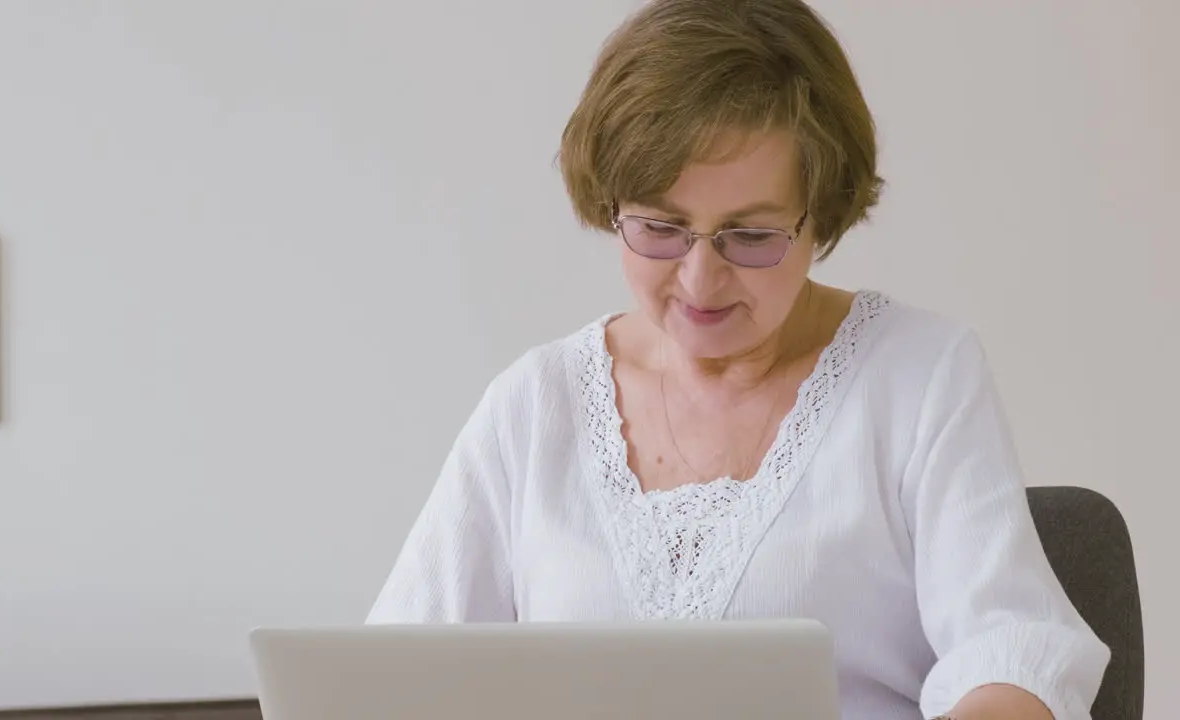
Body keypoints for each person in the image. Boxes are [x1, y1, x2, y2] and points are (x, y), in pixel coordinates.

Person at [366, 1, 1111, 718]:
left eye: (750, 237)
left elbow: (1009, 654)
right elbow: (391, 678)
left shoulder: (921, 376)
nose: (699, 279)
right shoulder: (535, 405)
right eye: (661, 228)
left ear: (821, 214)